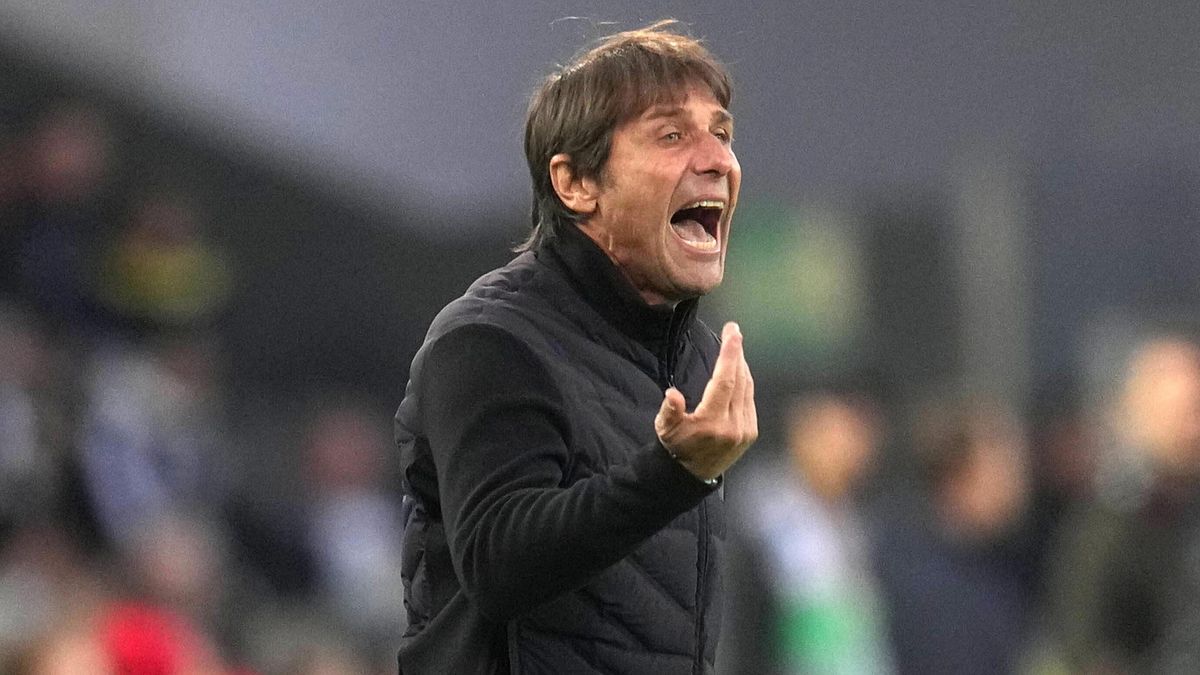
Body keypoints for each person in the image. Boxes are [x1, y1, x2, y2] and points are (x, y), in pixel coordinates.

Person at [393, 21, 757, 674]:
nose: (717, 160)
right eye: (672, 135)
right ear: (575, 183)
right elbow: (498, 566)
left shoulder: (695, 357)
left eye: (722, 134)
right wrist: (675, 473)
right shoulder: (491, 339)